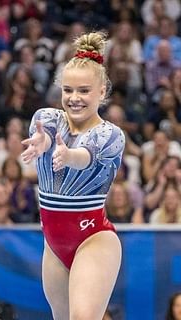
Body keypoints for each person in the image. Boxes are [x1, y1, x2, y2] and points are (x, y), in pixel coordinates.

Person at [21, 31, 126, 319]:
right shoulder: (47, 119)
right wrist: (42, 143)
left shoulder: (110, 134)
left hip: (94, 238)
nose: (74, 98)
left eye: (83, 91)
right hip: (53, 244)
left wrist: (68, 156)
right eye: (68, 90)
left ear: (102, 92)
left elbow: (86, 156)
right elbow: (41, 136)